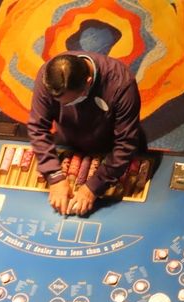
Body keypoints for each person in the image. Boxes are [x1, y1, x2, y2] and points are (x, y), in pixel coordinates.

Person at [27, 51, 146, 216]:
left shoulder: (121, 83)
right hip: (69, 141)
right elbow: (37, 127)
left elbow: (125, 144)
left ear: (88, 83)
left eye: (69, 102)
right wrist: (54, 176)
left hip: (110, 147)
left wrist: (93, 187)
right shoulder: (48, 76)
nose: (63, 106)